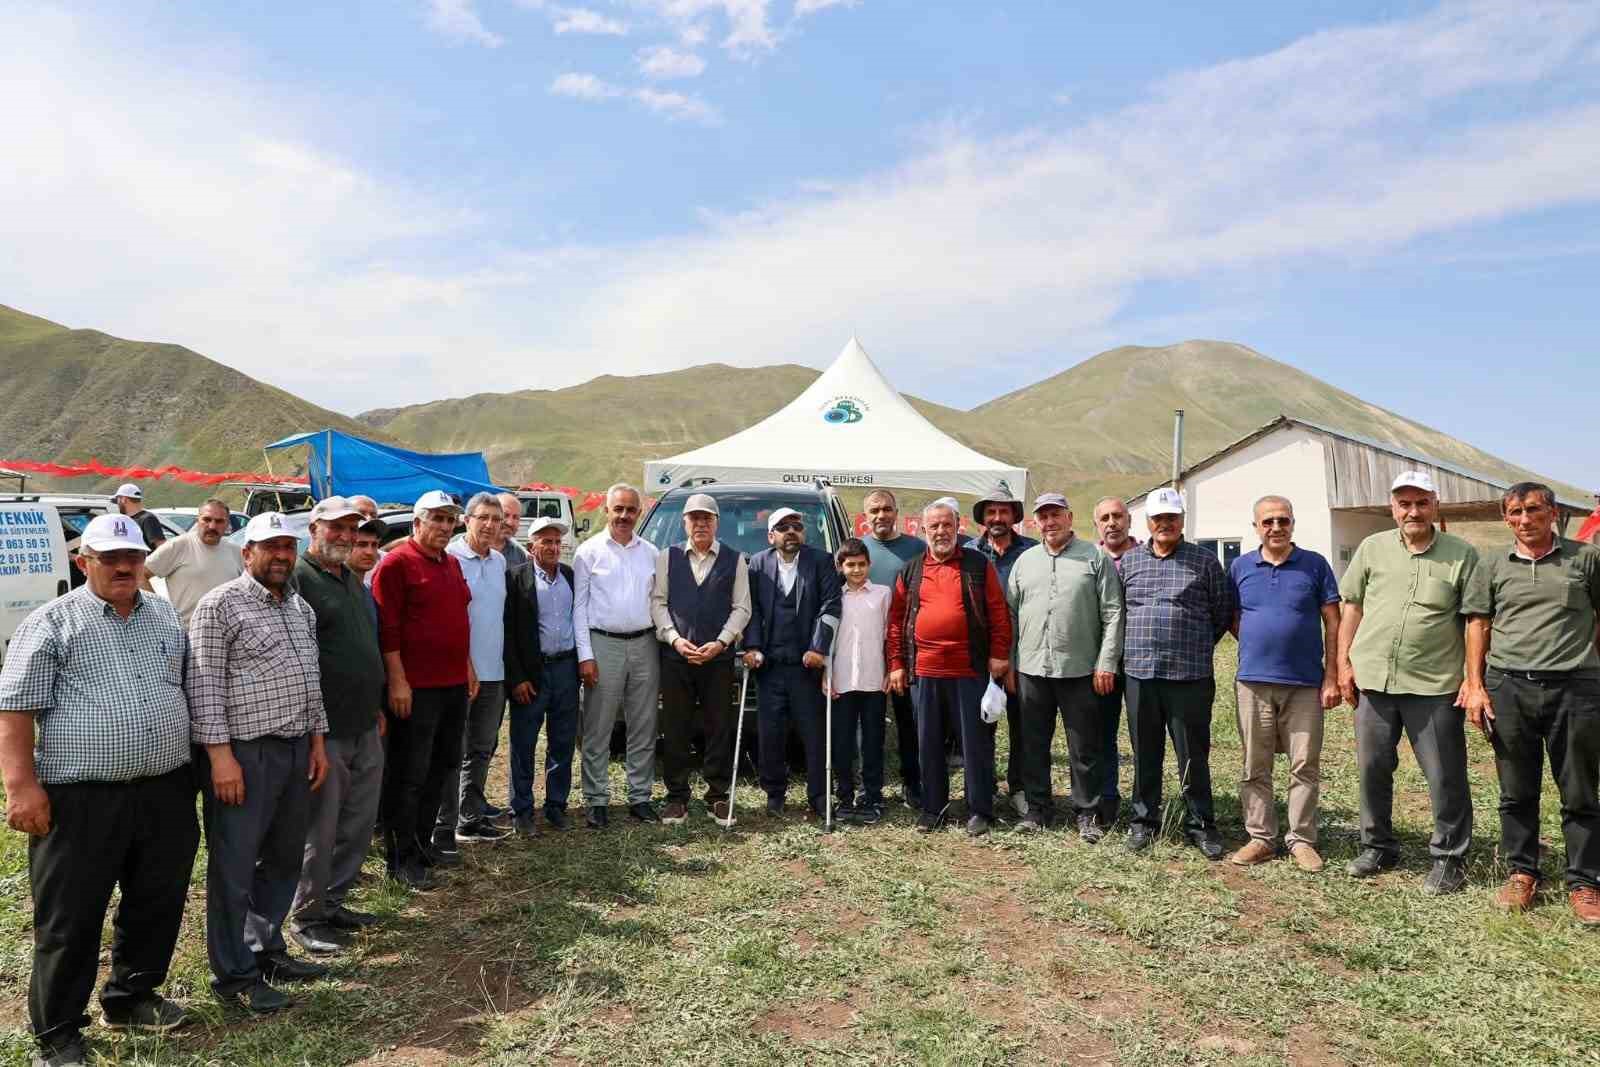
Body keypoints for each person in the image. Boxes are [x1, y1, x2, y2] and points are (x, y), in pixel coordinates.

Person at [0, 515, 199, 1067]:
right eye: (109, 557)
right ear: (83, 561)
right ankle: (58, 1031)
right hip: (82, 797)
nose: (122, 566)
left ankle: (131, 996)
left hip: (163, 790)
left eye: (131, 557)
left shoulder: (161, 614)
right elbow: (15, 710)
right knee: (71, 915)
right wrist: (21, 788)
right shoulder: (52, 623)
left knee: (157, 898)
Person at [187, 512, 331, 1013]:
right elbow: (204, 687)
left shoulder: (298, 607)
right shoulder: (219, 607)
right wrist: (220, 757)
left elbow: (311, 680)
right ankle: (233, 976)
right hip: (244, 755)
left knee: (284, 856)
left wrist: (317, 741)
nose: (281, 556)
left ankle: (266, 948)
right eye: (270, 547)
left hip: (295, 750)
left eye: (287, 547)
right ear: (246, 553)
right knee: (234, 865)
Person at [1338, 471, 1485, 894]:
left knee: (1444, 774)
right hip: (1374, 680)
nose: (1413, 511)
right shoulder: (1372, 548)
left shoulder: (1462, 554)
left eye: (1422, 502)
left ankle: (1449, 857)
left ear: (1435, 506)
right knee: (1372, 767)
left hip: (1434, 685)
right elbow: (1352, 607)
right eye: (1405, 503)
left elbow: (1476, 620)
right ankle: (1378, 846)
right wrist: (1344, 665)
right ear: (1393, 507)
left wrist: (1472, 679)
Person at [1462, 482, 1600, 922]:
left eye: (1534, 510)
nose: (1525, 520)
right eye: (1516, 512)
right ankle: (1522, 873)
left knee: (1579, 789)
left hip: (1574, 689)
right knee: (1516, 790)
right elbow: (1478, 625)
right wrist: (1476, 685)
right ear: (1506, 518)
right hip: (1509, 688)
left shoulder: (1586, 559)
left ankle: (1585, 883)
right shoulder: (1493, 564)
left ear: (1553, 512)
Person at [286, 498, 387, 955]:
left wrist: (377, 702)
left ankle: (334, 902)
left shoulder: (351, 580)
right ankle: (306, 915)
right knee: (320, 829)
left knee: (358, 821)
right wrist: (313, 733)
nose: (345, 536)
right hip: (325, 731)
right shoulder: (298, 579)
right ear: (314, 527)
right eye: (337, 527)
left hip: (365, 722)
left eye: (352, 528)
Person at [1120, 487, 1237, 859]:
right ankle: (1144, 822)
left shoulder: (1204, 562)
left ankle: (1201, 825)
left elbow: (1222, 613)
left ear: (1182, 520)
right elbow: (1120, 610)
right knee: (1145, 753)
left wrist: (1193, 644)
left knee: (1192, 754)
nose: (1165, 524)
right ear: (1148, 522)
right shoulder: (1130, 562)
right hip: (1139, 672)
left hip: (1188, 676)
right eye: (1159, 518)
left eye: (1172, 517)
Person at [1226, 496, 1341, 872]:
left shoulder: (1315, 565)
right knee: (1254, 764)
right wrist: (1260, 641)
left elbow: (1333, 621)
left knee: (1304, 764)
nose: (1276, 527)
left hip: (1305, 683)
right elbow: (1233, 616)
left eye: (1283, 520)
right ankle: (1261, 837)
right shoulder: (1241, 567)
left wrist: (1332, 676)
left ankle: (1302, 840)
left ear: (1293, 523)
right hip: (1253, 683)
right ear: (1256, 526)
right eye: (1268, 521)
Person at [887, 501, 1012, 836]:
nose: (940, 531)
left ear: (957, 526)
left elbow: (998, 613)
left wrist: (1000, 655)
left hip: (969, 670)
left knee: (975, 743)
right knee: (927, 743)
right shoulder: (911, 569)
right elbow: (897, 621)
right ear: (922, 530)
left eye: (946, 525)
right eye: (934, 526)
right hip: (924, 672)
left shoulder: (976, 565)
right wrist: (897, 664)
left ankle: (980, 810)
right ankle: (933, 808)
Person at [373, 490, 475, 888]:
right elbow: (389, 628)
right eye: (437, 519)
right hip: (416, 688)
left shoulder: (450, 563)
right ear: (417, 523)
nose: (445, 527)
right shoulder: (396, 564)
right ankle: (399, 859)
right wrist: (397, 679)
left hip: (451, 684)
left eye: (450, 520)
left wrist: (467, 666)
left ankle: (420, 843)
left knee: (443, 766)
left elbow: (459, 619)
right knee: (409, 773)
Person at [1006, 493, 1122, 838]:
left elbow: (1113, 612)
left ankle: (1087, 812)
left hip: (1080, 669)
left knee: (1084, 746)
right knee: (1032, 743)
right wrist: (1011, 663)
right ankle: (1038, 809)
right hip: (1031, 669)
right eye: (1043, 516)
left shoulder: (1094, 558)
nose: (1050, 522)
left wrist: (1106, 662)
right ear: (1035, 522)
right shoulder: (1025, 561)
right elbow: (1011, 615)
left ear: (1070, 517)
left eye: (1056, 515)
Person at [650, 493, 751, 825]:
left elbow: (742, 608)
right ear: (685, 523)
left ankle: (717, 796)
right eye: (694, 518)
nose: (700, 523)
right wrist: (675, 640)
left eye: (707, 518)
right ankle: (676, 797)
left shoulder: (735, 560)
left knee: (718, 726)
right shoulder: (667, 557)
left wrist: (721, 643)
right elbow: (658, 603)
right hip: (677, 657)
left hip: (718, 658)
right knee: (675, 727)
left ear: (716, 522)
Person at [744, 507, 842, 820]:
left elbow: (830, 606)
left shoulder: (821, 561)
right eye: (783, 527)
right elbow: (753, 609)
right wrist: (753, 646)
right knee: (770, 733)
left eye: (796, 526)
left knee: (813, 733)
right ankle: (774, 793)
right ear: (770, 535)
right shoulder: (757, 564)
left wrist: (818, 648)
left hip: (806, 666)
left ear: (803, 532)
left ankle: (818, 795)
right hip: (769, 665)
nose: (791, 531)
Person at [574, 484, 661, 828]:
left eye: (631, 510)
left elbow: (658, 601)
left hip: (644, 643)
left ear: (639, 513)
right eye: (618, 509)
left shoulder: (652, 553)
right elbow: (579, 607)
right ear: (606, 511)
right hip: (602, 644)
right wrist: (585, 655)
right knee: (598, 725)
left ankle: (639, 796)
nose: (624, 516)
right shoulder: (588, 552)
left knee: (644, 724)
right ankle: (596, 799)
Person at [437, 493, 511, 849]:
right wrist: (465, 665)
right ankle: (444, 824)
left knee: (482, 749)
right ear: (466, 520)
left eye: (496, 520)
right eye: (483, 517)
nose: (490, 525)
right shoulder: (450, 558)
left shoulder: (498, 562)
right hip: (457, 674)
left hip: (494, 673)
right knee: (453, 751)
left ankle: (470, 818)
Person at [504, 518, 580, 835]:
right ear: (532, 544)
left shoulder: (569, 576)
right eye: (545, 541)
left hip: (565, 668)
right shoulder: (515, 578)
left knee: (562, 741)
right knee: (524, 743)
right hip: (532, 673)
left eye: (556, 542)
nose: (552, 547)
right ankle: (521, 810)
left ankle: (555, 806)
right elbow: (507, 633)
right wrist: (517, 678)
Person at [971, 484, 1037, 815]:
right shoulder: (968, 552)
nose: (997, 518)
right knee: (980, 726)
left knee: (1022, 725)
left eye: (1004, 511)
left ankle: (1020, 788)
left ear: (1014, 516)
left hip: (1023, 655)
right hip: (977, 659)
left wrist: (1011, 659)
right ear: (983, 516)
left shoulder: (1032, 552)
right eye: (991, 512)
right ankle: (981, 789)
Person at [861, 489, 925, 809]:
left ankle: (913, 784)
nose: (881, 515)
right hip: (867, 648)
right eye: (874, 510)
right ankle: (868, 785)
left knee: (908, 721)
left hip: (907, 649)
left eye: (886, 509)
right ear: (865, 516)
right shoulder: (858, 550)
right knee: (868, 721)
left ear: (896, 512)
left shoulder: (917, 548)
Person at [828, 538, 892, 825]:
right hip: (841, 679)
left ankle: (871, 796)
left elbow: (890, 636)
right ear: (841, 566)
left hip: (874, 679)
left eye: (861, 564)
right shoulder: (833, 597)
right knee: (841, 742)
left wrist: (891, 670)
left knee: (872, 741)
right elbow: (825, 641)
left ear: (869, 565)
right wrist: (825, 675)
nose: (856, 570)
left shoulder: (882, 594)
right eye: (850, 565)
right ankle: (843, 795)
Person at [1091, 495, 1140, 826]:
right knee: (1101, 734)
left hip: (1140, 662)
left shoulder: (1148, 557)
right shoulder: (1088, 559)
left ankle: (1145, 802)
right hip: (1101, 664)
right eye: (1105, 517)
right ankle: (1107, 799)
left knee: (1143, 736)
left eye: (1118, 516)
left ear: (1129, 520)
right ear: (1096, 525)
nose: (1112, 523)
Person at [141, 497, 243, 626]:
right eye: (207, 519)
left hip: (227, 634)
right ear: (198, 520)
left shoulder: (235, 551)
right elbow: (140, 574)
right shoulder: (179, 545)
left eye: (219, 521)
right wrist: (159, 612)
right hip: (188, 635)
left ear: (227, 524)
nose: (212, 526)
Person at [111, 482, 166, 551]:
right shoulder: (123, 521)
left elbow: (162, 548)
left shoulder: (148, 519)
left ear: (124, 499)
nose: (117, 504)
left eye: (117, 500)